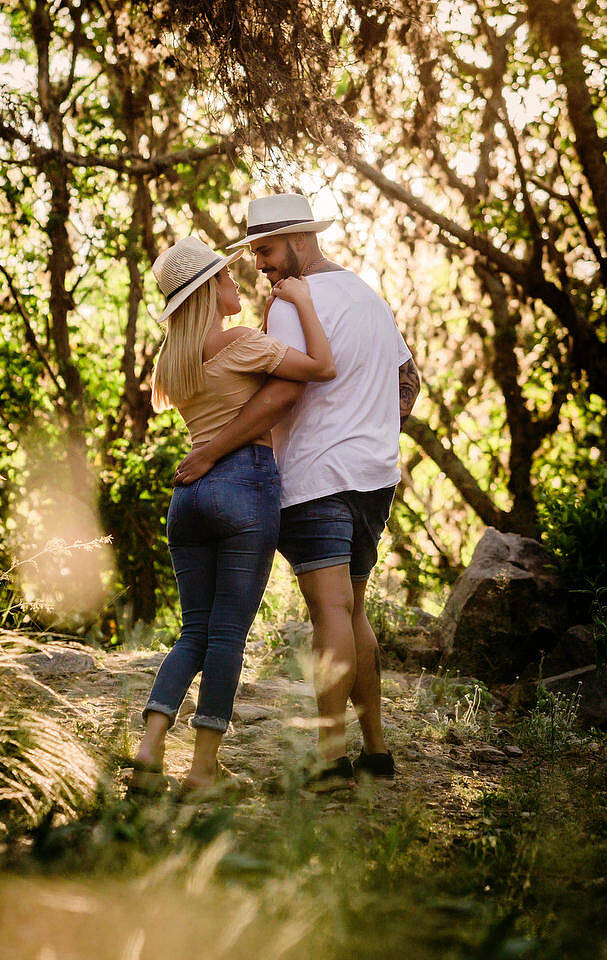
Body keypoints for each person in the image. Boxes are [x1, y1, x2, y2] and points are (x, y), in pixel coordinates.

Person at [174, 193, 422, 789]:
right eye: (255, 252)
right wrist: (372, 434)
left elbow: (282, 396)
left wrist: (210, 449)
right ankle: (377, 752)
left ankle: (332, 758)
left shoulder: (290, 301)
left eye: (265, 250)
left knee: (329, 611)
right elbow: (408, 382)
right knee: (354, 609)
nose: (259, 264)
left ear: (301, 242)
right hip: (374, 476)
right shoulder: (370, 297)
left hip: (316, 478)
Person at [129, 235, 336, 798]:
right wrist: (304, 306)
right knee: (226, 637)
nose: (234, 282)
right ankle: (201, 770)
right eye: (223, 277)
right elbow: (321, 366)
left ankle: (149, 747)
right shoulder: (242, 343)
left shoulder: (171, 363)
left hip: (189, 496)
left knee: (192, 631)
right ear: (208, 292)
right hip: (244, 483)